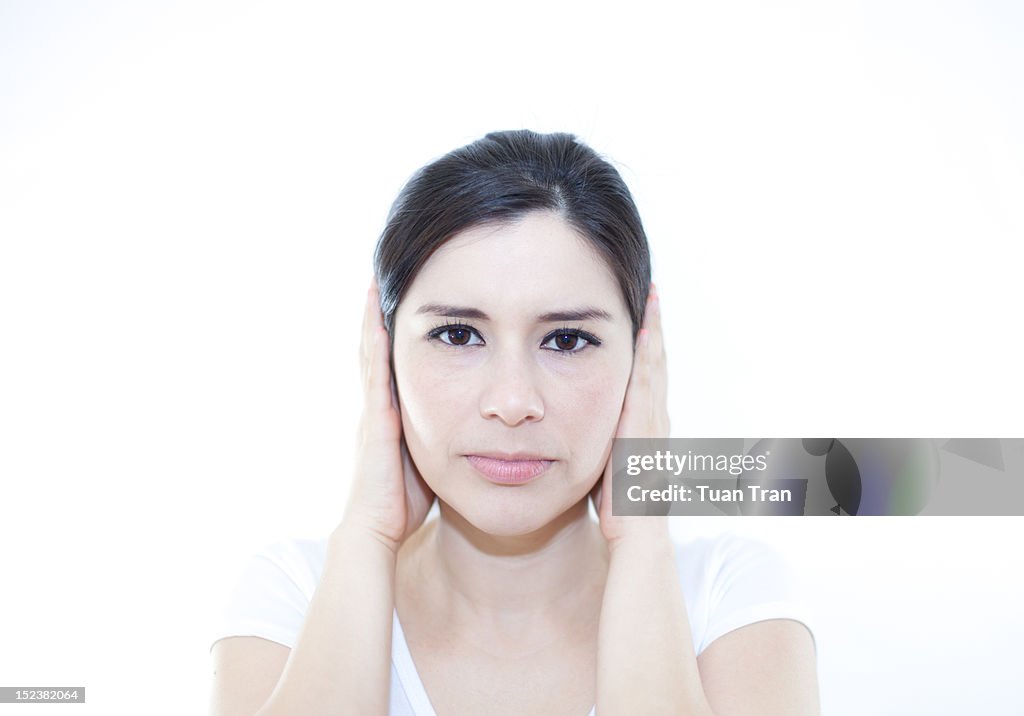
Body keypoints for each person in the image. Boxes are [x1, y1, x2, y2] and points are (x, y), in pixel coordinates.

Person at [208, 130, 820, 715]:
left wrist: (642, 534)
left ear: (641, 362)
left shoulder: (726, 593)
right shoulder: (293, 591)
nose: (512, 400)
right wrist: (368, 530)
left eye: (567, 339)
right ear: (384, 355)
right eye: (457, 334)